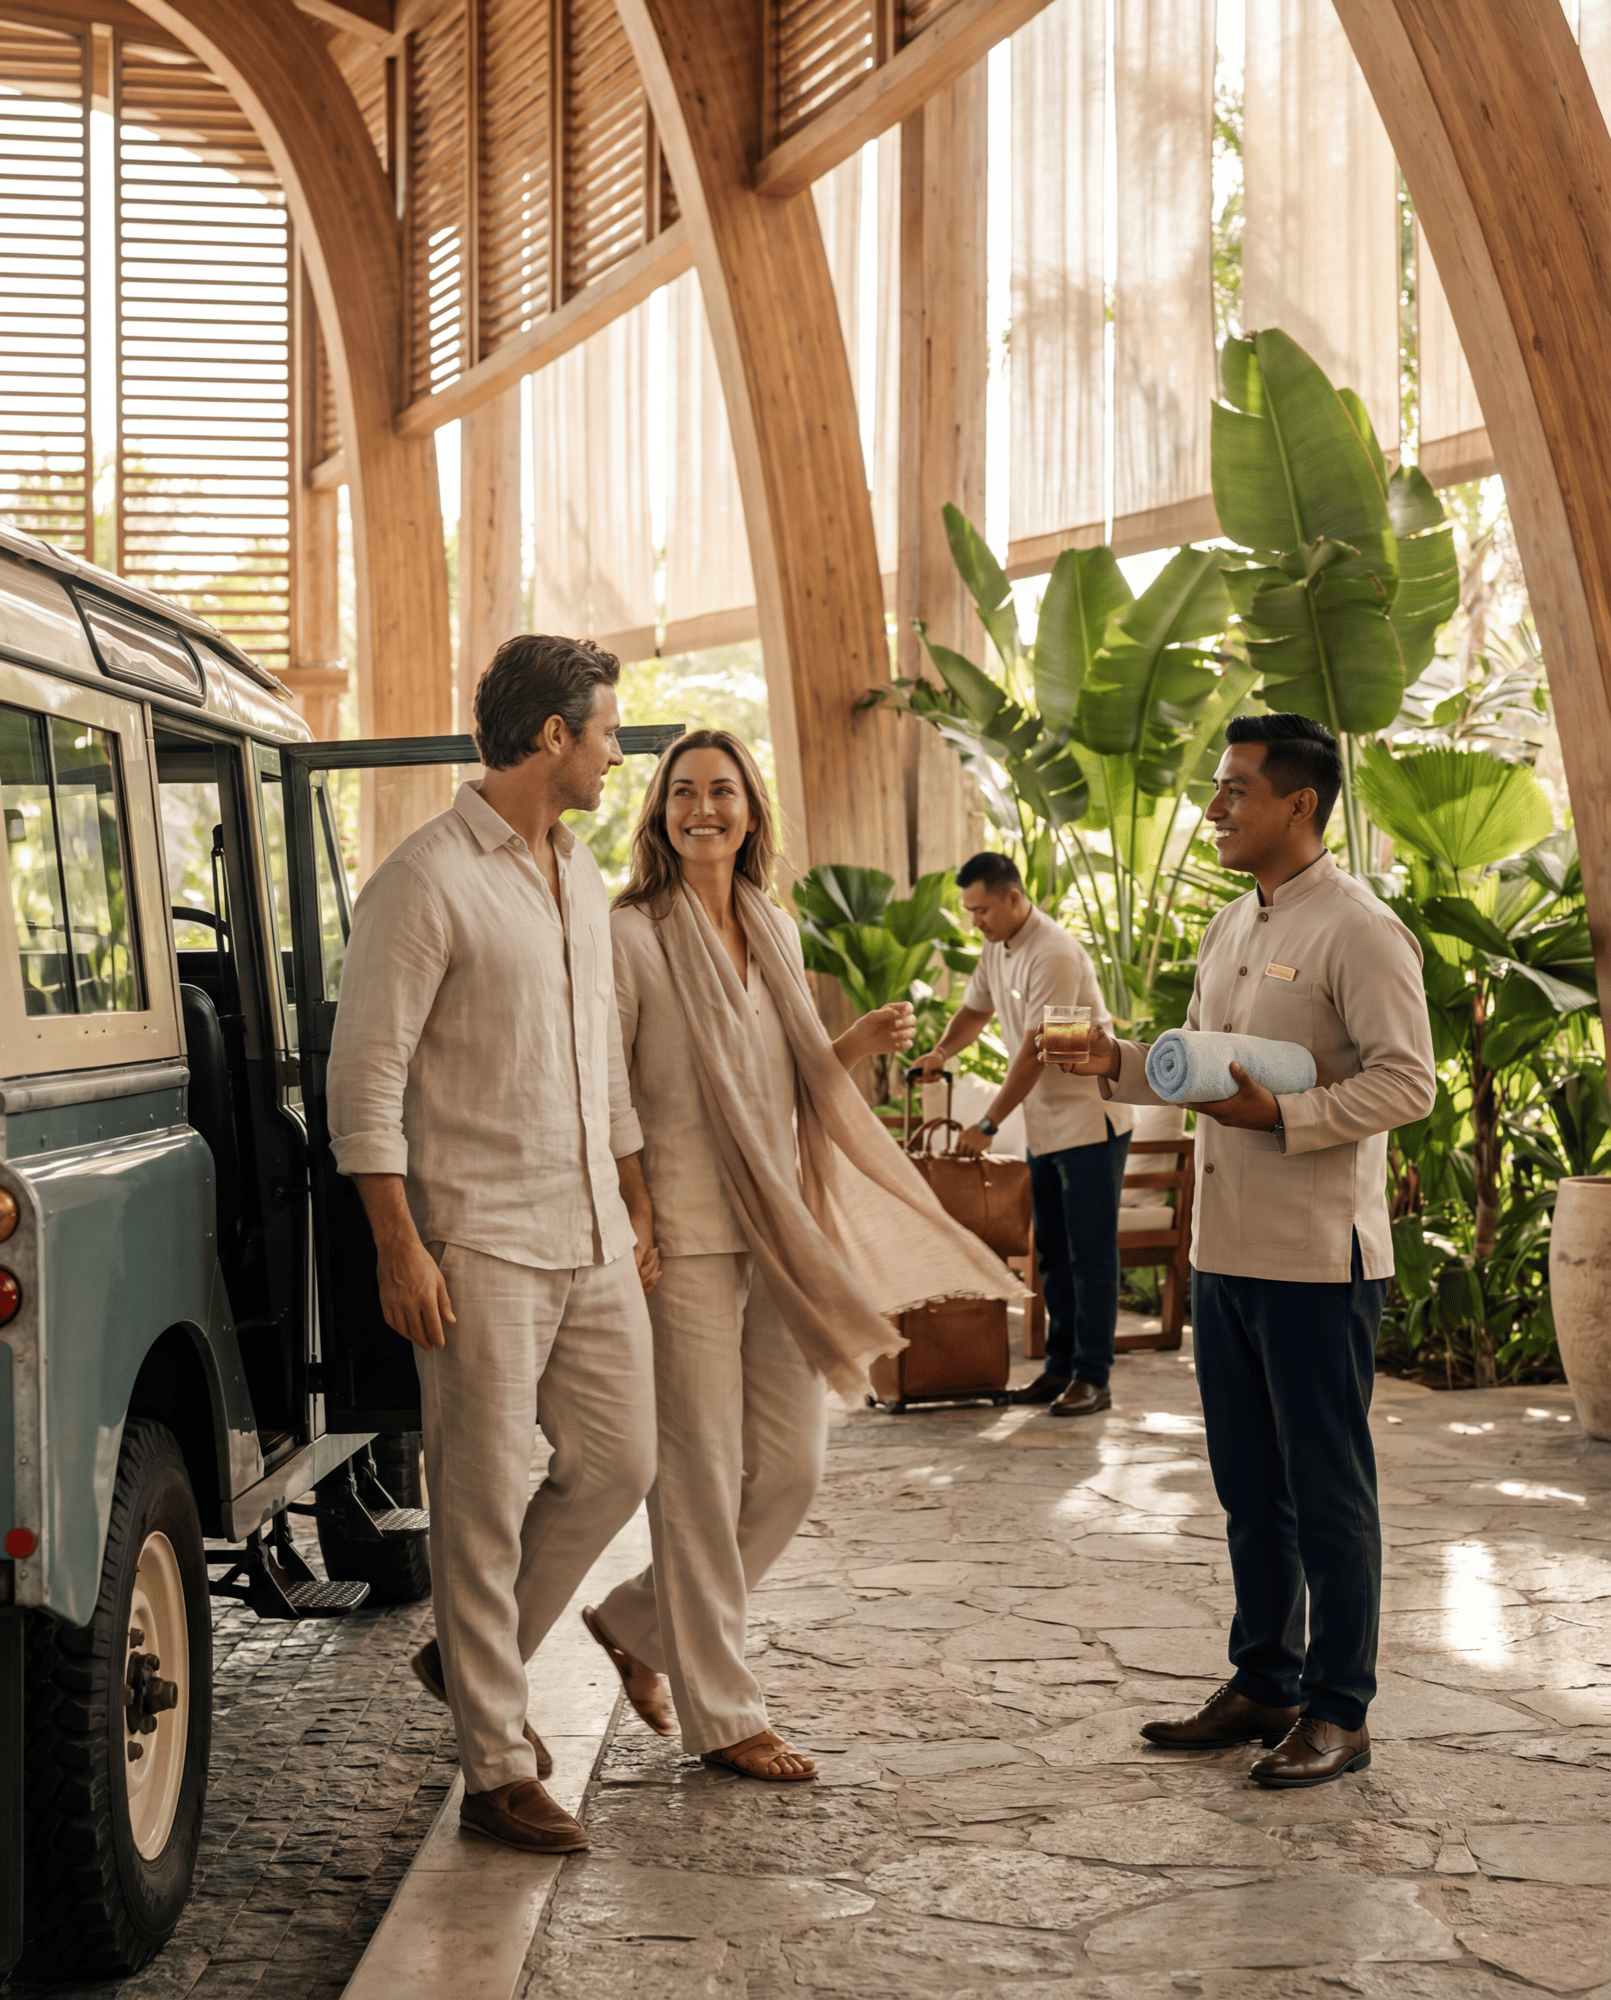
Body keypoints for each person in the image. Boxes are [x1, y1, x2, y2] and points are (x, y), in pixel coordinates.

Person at [581, 729, 1022, 1782]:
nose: (703, 808)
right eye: (683, 792)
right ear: (658, 813)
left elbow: (772, 1079)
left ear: (750, 810)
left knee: (788, 1469)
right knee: (694, 1477)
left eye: (722, 790)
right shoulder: (631, 933)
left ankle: (635, 1619)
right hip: (681, 1232)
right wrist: (635, 1210)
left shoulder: (772, 926)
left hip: (776, 1223)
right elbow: (608, 1090)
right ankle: (725, 1712)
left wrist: (853, 1046)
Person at [1045, 713, 1435, 1787]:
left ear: (1298, 803)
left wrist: (1287, 1115)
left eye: (1234, 789)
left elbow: (1409, 1081)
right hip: (1225, 1252)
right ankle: (1266, 1679)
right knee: (1250, 1489)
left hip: (1315, 1258)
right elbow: (1199, 1066)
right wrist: (1116, 1058)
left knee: (1327, 1493)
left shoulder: (1360, 928)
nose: (1213, 807)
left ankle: (1339, 1709)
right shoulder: (1228, 925)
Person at [326, 635, 659, 1855]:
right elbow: (364, 1079)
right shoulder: (423, 880)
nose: (618, 753)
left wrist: (635, 1200)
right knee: (477, 1500)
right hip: (476, 1239)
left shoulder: (578, 869)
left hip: (591, 1230)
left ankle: (471, 1662)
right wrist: (398, 1244)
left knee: (619, 1460)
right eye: (607, 731)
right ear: (552, 734)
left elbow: (601, 1062)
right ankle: (497, 1767)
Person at [909, 852, 1135, 1417]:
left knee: (1090, 1255)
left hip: (1089, 1120)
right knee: (1052, 1254)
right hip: (1045, 1125)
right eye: (969, 911)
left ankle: (1093, 1377)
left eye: (982, 910)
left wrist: (987, 1125)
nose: (975, 922)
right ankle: (1059, 1369)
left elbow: (1040, 1048)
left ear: (1013, 897)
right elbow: (974, 1012)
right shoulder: (997, 947)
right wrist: (940, 1052)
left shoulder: (1054, 952)